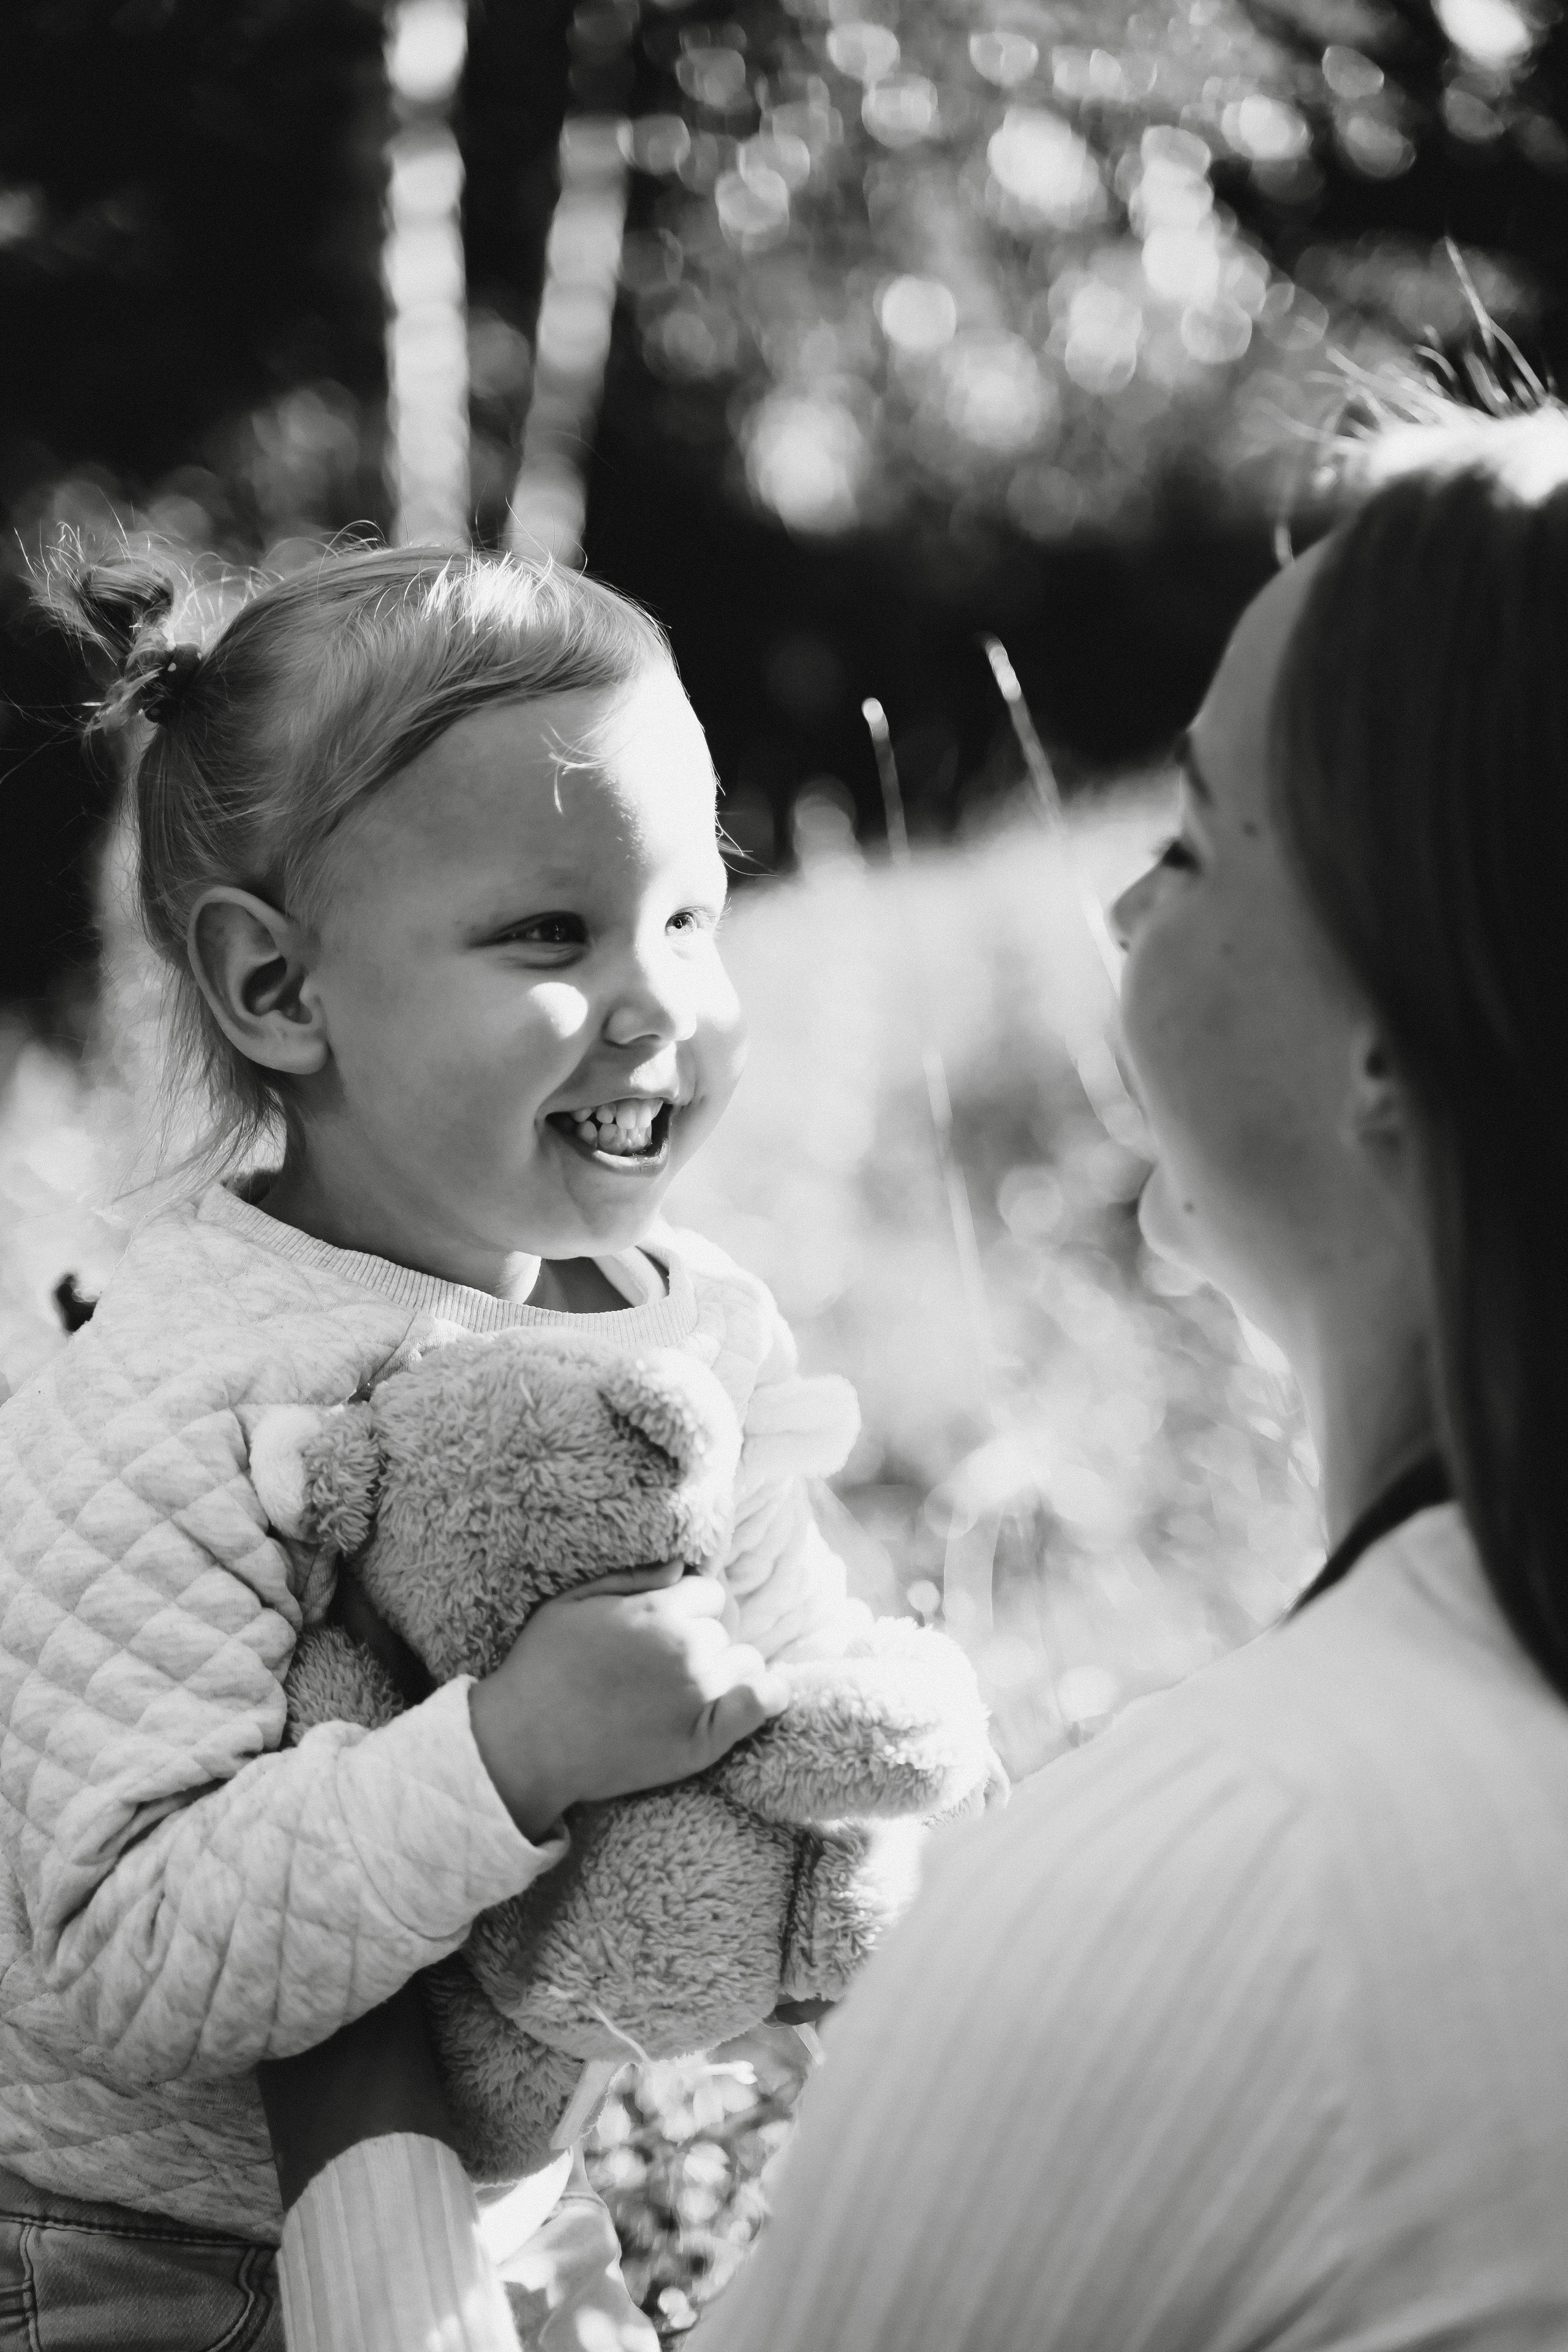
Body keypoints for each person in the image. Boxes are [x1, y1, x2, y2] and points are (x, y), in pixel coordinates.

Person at [265, 383, 1568, 2351]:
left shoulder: (1213, 1894)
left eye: (1199, 845)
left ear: (1399, 1030)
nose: (1120, 905)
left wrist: (357, 2124)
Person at [0, 548, 886, 2350]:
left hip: (508, 2223)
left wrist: (877, 1814)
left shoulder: (678, 1321)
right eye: (549, 935)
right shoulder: (175, 1389)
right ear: (279, 989)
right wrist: (505, 1758)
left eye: (689, 911)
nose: (658, 1003)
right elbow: (126, 1950)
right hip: (139, 2257)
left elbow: (783, 1653)